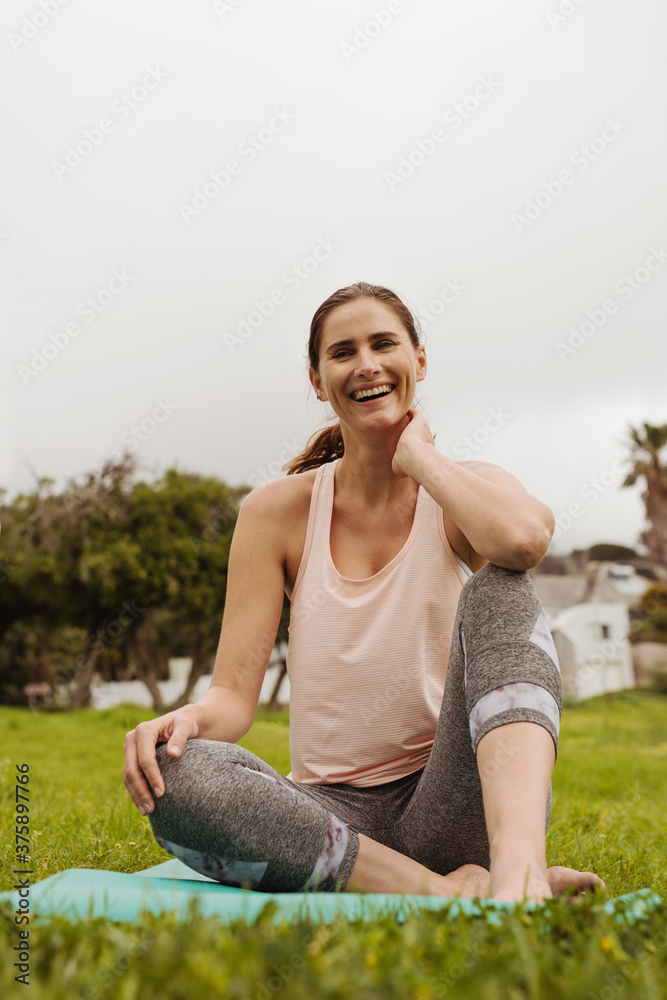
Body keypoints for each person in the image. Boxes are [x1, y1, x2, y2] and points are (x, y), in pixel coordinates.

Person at [123, 281, 605, 902]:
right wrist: (183, 721)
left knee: (501, 588)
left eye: (384, 344)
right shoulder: (275, 513)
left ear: (419, 361)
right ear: (319, 381)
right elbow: (233, 700)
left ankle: (518, 875)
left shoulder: (460, 490)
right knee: (176, 773)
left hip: (452, 801)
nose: (367, 365)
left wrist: (422, 460)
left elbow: (523, 541)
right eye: (343, 352)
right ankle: (446, 892)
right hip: (331, 820)